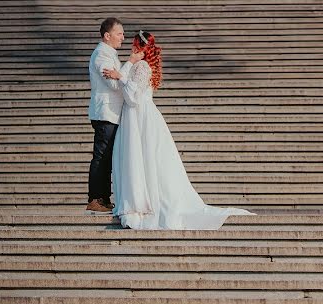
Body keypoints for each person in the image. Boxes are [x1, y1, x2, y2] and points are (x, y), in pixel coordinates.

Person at [103, 31, 253, 229]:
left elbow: (133, 97)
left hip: (140, 117)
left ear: (140, 47)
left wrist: (120, 76)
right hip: (137, 116)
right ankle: (138, 200)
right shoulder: (142, 65)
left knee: (142, 158)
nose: (130, 46)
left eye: (134, 43)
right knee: (140, 159)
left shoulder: (143, 66)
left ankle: (143, 203)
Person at [86, 17, 140, 213]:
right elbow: (114, 83)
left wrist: (121, 71)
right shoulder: (101, 55)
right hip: (105, 112)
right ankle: (94, 198)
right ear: (107, 36)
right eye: (119, 34)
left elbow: (118, 78)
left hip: (112, 113)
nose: (123, 38)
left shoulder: (110, 54)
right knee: (101, 156)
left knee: (107, 157)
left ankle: (103, 198)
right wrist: (130, 62)